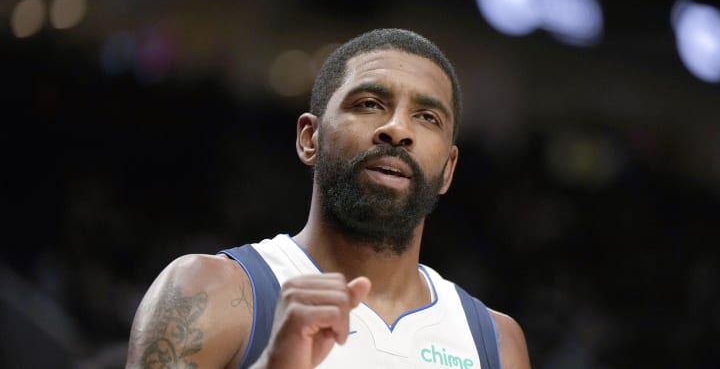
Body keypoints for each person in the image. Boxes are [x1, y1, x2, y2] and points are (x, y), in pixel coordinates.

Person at [126, 28, 531, 369]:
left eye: (427, 117)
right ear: (309, 138)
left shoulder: (496, 343)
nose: (396, 129)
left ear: (448, 168)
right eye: (369, 104)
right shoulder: (209, 291)